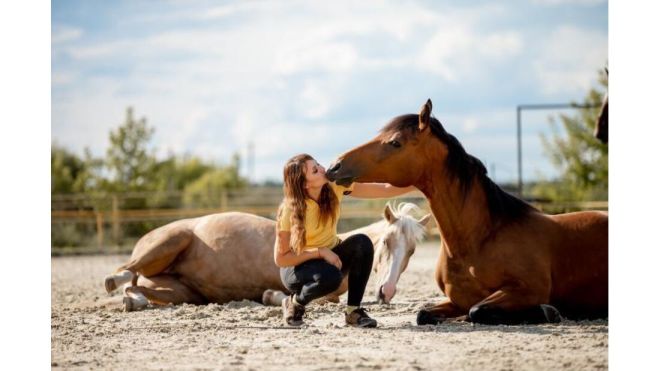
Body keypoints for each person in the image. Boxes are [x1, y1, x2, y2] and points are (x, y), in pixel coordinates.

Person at [274, 153, 415, 327]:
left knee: (362, 243)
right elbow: (281, 258)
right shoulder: (289, 209)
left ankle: (353, 311)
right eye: (315, 170)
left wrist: (418, 183)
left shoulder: (335, 186)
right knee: (331, 277)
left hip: (329, 258)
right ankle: (294, 303)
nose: (323, 169)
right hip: (297, 267)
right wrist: (320, 252)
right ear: (304, 184)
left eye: (319, 164)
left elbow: (385, 188)